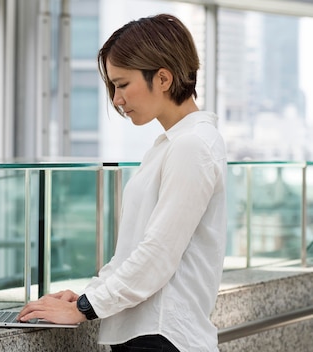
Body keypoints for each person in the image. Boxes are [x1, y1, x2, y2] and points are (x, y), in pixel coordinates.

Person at [17, 13, 227, 352]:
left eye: (122, 84)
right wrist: (85, 297)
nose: (116, 99)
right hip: (148, 336)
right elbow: (133, 252)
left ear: (162, 78)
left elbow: (157, 255)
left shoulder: (193, 146)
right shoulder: (170, 145)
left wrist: (84, 309)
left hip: (163, 337)